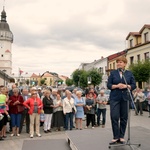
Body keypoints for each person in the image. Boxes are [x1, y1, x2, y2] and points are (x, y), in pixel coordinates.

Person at [107, 56, 136, 145]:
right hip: (115, 98)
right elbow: (109, 85)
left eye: (121, 62)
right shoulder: (113, 73)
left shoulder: (129, 73)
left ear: (125, 64)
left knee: (124, 118)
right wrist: (117, 86)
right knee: (114, 117)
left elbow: (133, 85)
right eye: (118, 62)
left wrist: (126, 86)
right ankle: (116, 137)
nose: (119, 63)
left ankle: (121, 136)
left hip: (126, 98)